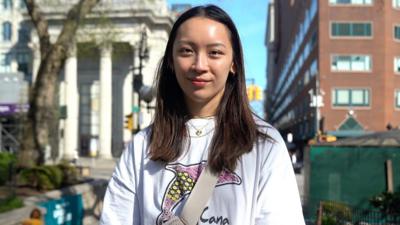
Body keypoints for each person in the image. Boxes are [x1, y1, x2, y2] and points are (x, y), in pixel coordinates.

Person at [100, 4, 305, 225]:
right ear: (171, 60)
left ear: (233, 63)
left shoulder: (264, 145)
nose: (199, 65)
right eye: (186, 51)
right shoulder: (141, 146)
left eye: (215, 52)